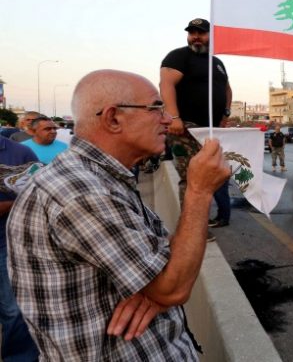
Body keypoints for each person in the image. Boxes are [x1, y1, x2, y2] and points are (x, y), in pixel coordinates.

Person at [6, 70, 230, 360]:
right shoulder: (82, 191)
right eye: (156, 108)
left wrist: (154, 293)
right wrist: (199, 192)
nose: (167, 119)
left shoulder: (100, 178)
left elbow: (161, 267)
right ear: (113, 118)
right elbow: (172, 288)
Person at [160, 18, 233, 231]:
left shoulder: (217, 63)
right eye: (192, 33)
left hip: (211, 131)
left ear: (210, 36)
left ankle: (204, 221)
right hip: (186, 129)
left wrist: (226, 113)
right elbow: (166, 84)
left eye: (201, 33)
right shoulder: (178, 56)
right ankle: (192, 228)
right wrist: (174, 117)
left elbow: (227, 89)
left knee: (212, 176)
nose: (196, 37)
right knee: (191, 179)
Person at [0, 135, 40, 361]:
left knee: (14, 309)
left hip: (7, 243)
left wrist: (10, 205)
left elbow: (41, 193)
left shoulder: (21, 153)